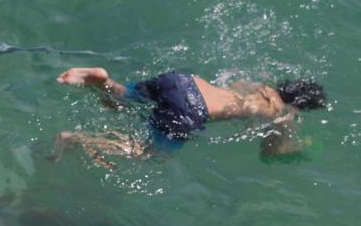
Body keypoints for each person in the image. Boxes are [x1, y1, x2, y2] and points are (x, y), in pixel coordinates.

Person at [53, 67, 325, 166]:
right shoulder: (280, 114)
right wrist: (302, 149)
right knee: (148, 154)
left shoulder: (256, 86)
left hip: (183, 82)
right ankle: (76, 138)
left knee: (126, 97)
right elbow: (270, 154)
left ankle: (102, 80)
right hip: (189, 110)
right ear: (299, 106)